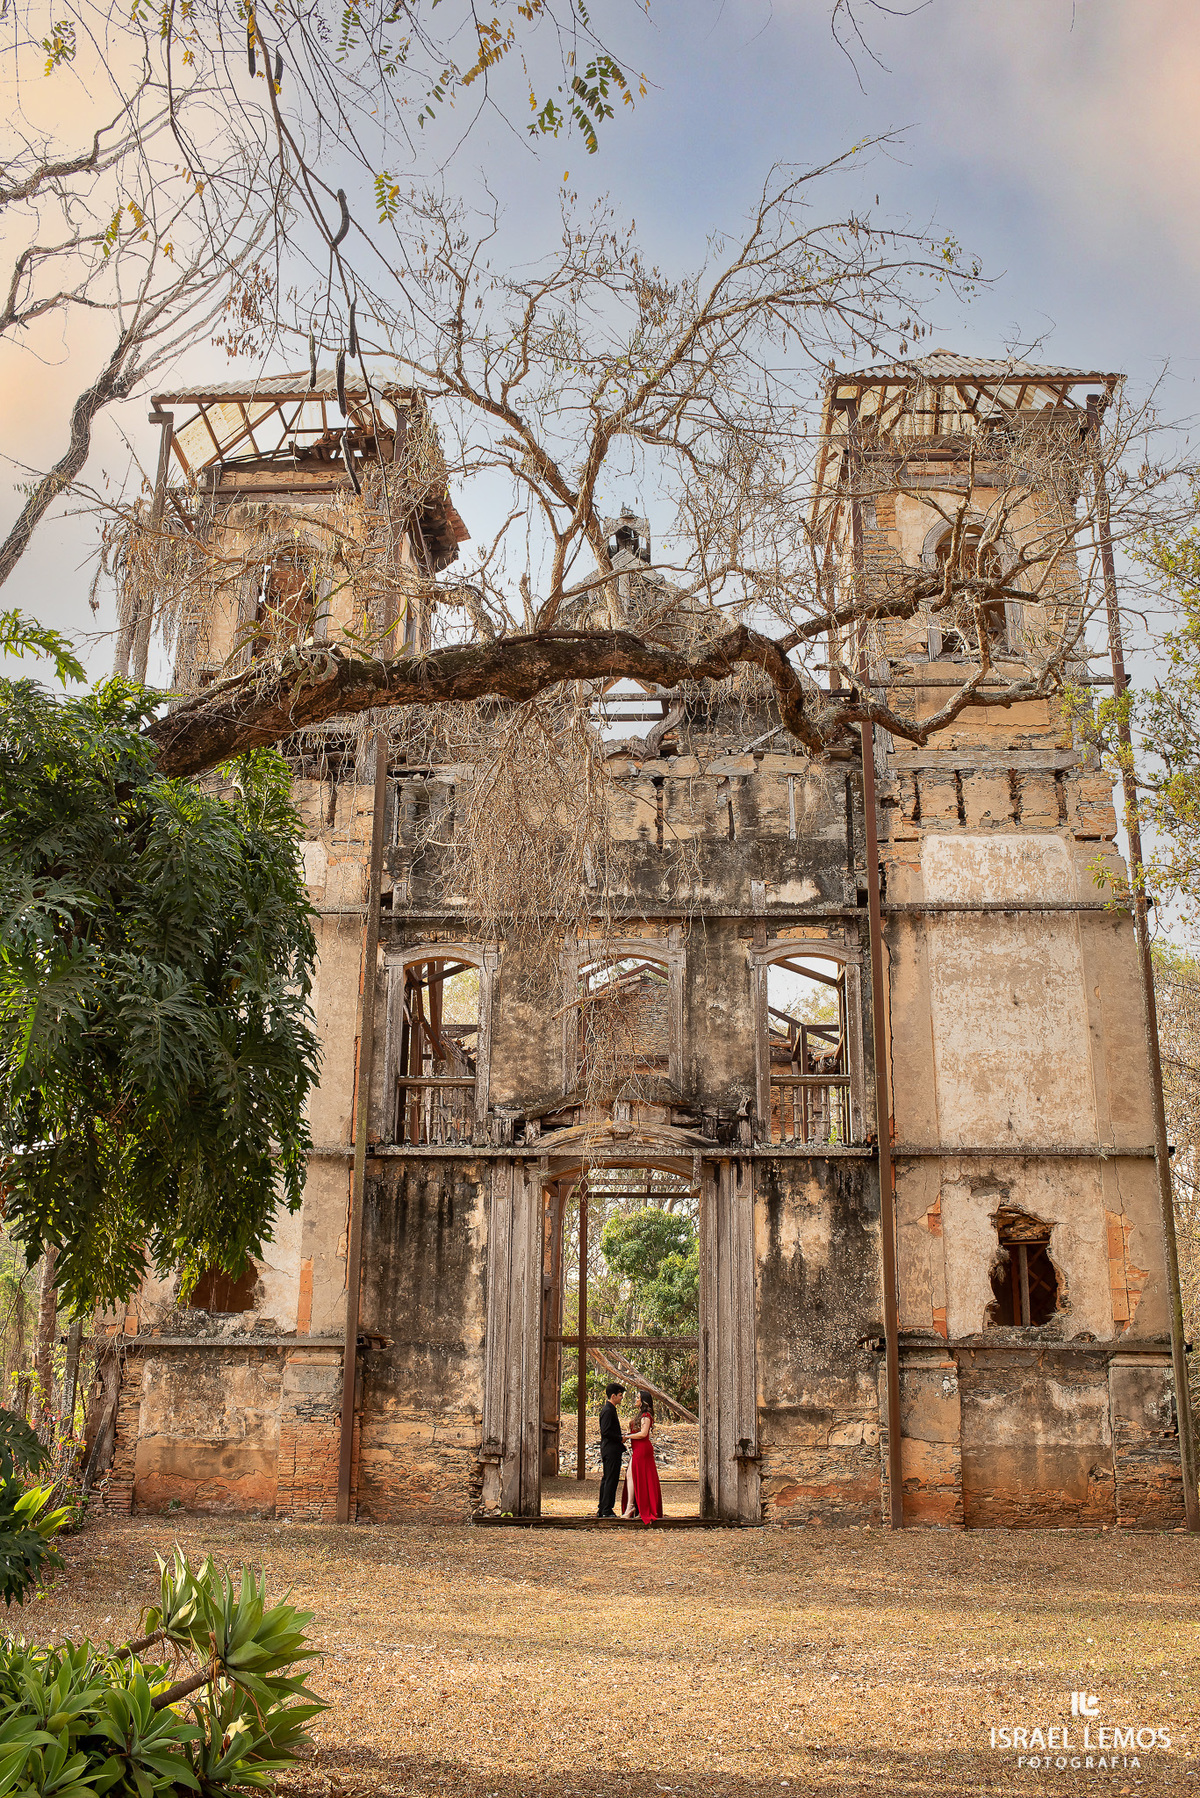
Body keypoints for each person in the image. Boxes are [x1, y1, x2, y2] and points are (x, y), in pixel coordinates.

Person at [623, 1390, 663, 1525]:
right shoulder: (640, 1415)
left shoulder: (646, 1415)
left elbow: (643, 1434)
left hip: (642, 1449)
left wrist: (628, 1436)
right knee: (631, 1475)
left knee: (636, 1475)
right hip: (637, 1449)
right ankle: (632, 1506)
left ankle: (632, 1507)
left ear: (643, 1401)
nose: (636, 1399)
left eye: (638, 1398)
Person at [597, 1381, 625, 1517]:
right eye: (620, 1395)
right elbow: (606, 1431)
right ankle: (606, 1509)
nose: (621, 1398)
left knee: (607, 1478)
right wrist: (620, 1438)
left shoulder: (610, 1410)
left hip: (610, 1448)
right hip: (611, 1449)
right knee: (611, 1479)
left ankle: (602, 1508)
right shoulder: (608, 1411)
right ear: (613, 1396)